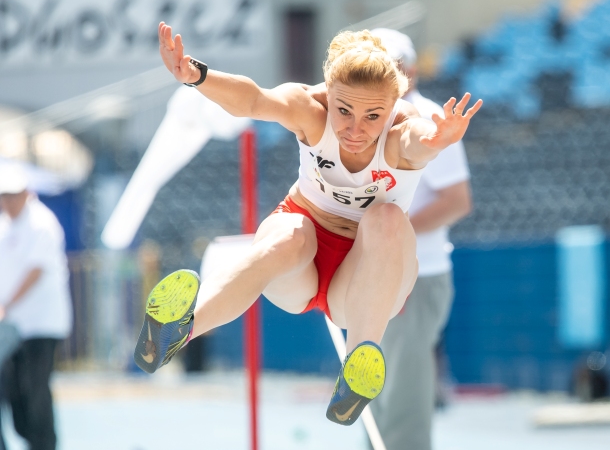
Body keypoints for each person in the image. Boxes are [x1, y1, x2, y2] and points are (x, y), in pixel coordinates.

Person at [134, 22, 482, 426]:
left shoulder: (404, 128)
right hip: (301, 265)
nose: (355, 130)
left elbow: (417, 139)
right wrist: (198, 77)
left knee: (386, 217)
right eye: (344, 111)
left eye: (373, 116)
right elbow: (254, 100)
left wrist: (439, 140)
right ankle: (179, 331)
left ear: (393, 106)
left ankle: (359, 367)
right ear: (328, 94)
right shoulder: (309, 108)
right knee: (291, 233)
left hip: (361, 284)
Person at [367, 29, 472, 450]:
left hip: (415, 279)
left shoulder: (429, 122)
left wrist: (389, 230)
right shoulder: (365, 121)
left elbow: (457, 200)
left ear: (408, 73)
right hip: (374, 278)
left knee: (404, 402)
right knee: (375, 399)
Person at [0, 168, 73, 450]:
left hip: (42, 323)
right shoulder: (6, 225)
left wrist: (6, 304)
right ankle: (31, 446)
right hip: (14, 326)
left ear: (26, 193)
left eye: (12, 195)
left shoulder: (42, 223)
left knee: (36, 387)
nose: (7, 201)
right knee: (14, 388)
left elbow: (35, 270)